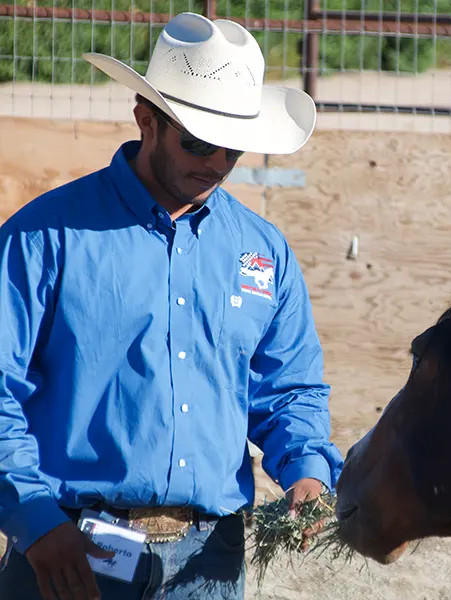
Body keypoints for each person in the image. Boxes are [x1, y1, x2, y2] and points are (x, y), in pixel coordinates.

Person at [0, 11, 342, 600]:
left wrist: (306, 472)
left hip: (210, 560)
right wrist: (34, 521)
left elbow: (289, 391)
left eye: (233, 148)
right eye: (198, 142)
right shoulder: (43, 238)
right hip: (67, 550)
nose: (216, 163)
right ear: (145, 120)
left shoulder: (265, 252)